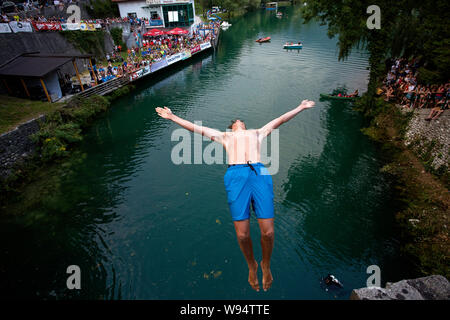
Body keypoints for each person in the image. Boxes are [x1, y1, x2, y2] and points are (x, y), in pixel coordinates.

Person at [155, 99, 316, 292]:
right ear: (232, 129)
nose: (239, 121)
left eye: (241, 121)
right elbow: (195, 129)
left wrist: (300, 107)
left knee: (269, 232)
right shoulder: (225, 136)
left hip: (259, 174)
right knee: (242, 234)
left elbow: (280, 119)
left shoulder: (257, 132)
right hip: (236, 176)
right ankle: (252, 265)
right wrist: (172, 117)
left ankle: (265, 264)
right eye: (236, 122)